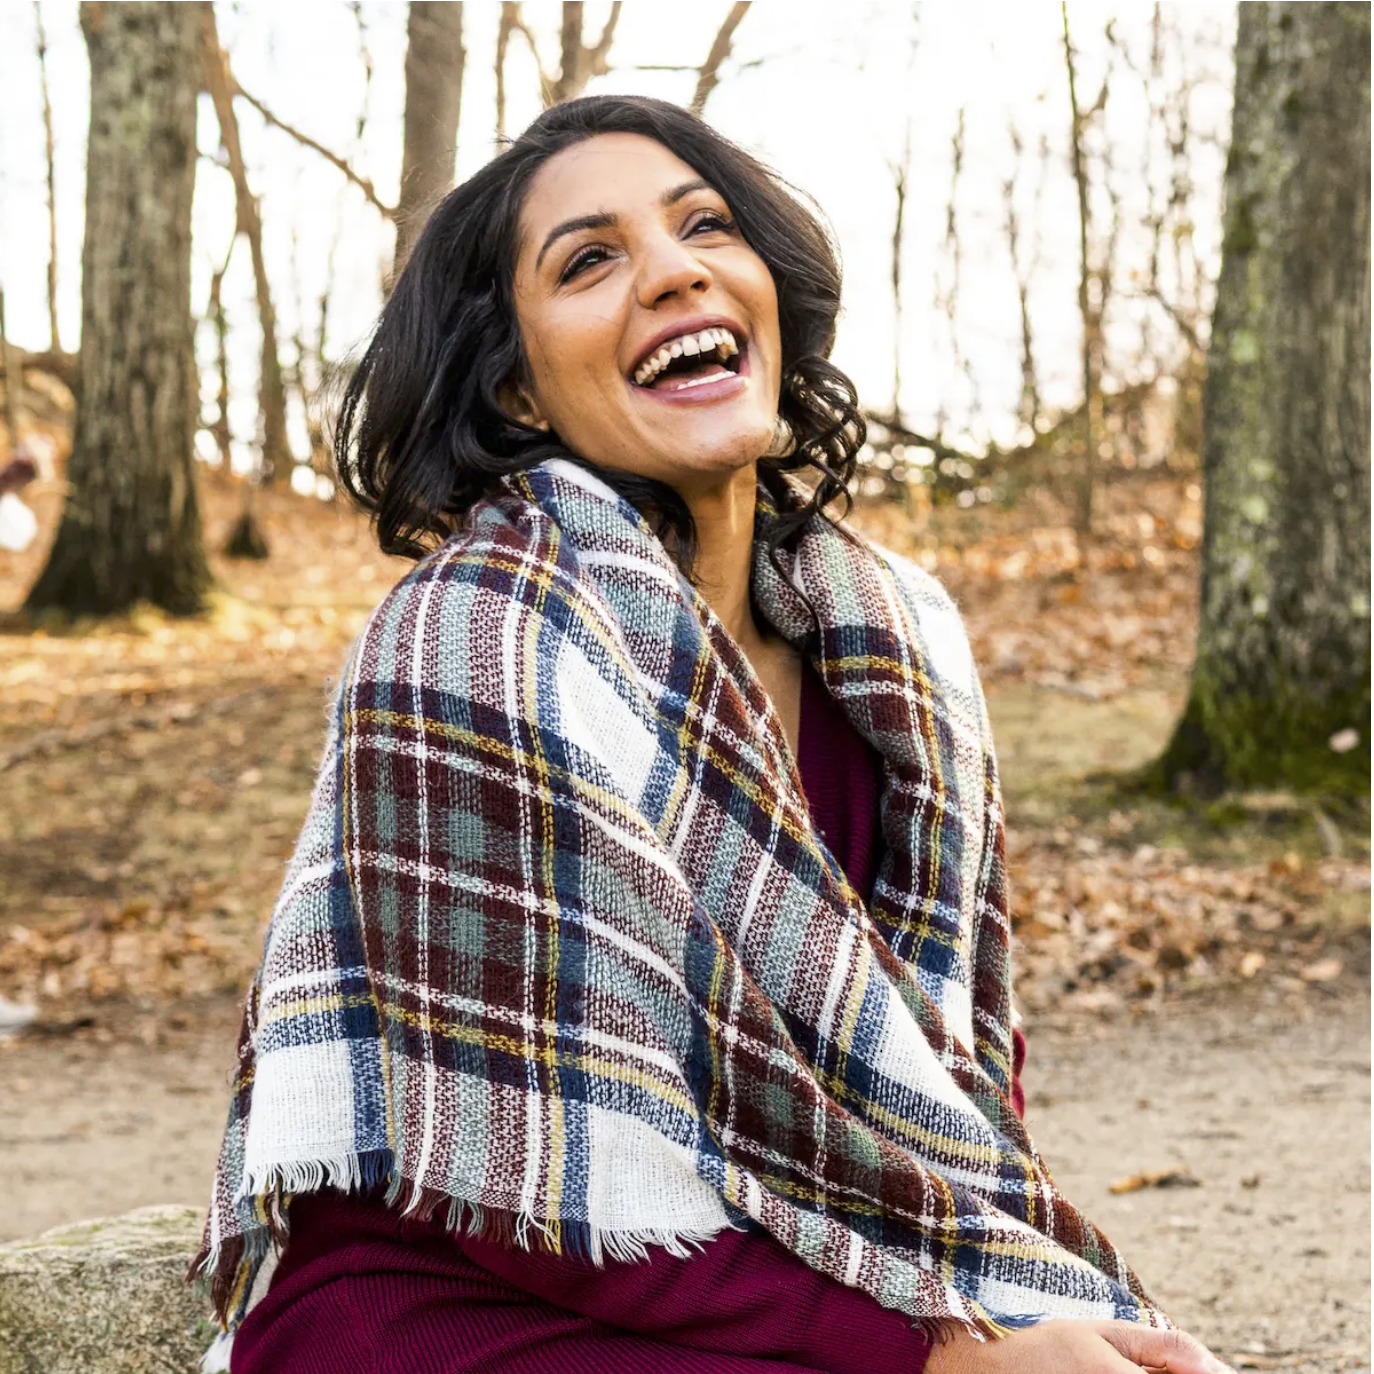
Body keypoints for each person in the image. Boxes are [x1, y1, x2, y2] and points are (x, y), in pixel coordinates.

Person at [193, 95, 1234, 1374]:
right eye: (590, 259)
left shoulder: (897, 639)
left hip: (829, 1280)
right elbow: (539, 1200)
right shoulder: (468, 643)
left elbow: (958, 1068)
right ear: (517, 382)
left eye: (705, 228)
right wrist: (945, 1357)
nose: (675, 271)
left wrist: (1011, 1309)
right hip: (472, 1306)